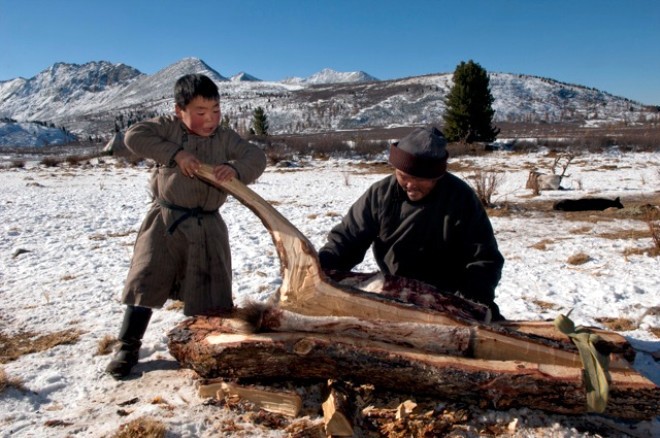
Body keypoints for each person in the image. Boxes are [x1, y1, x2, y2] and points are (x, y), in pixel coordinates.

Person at [106, 74, 267, 378]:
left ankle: (209, 346)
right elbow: (134, 136)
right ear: (179, 109)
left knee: (212, 292)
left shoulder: (225, 137)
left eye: (216, 111)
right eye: (201, 113)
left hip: (208, 226)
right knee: (146, 282)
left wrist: (234, 169)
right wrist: (175, 153)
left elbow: (255, 156)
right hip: (166, 223)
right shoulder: (168, 127)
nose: (210, 119)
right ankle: (127, 346)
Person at [318, 127, 505, 320]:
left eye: (421, 179)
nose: (410, 185)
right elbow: (347, 240)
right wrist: (320, 268)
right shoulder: (380, 195)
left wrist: (468, 301)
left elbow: (485, 259)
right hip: (396, 292)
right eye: (404, 176)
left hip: (449, 297)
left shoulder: (461, 199)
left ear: (437, 177)